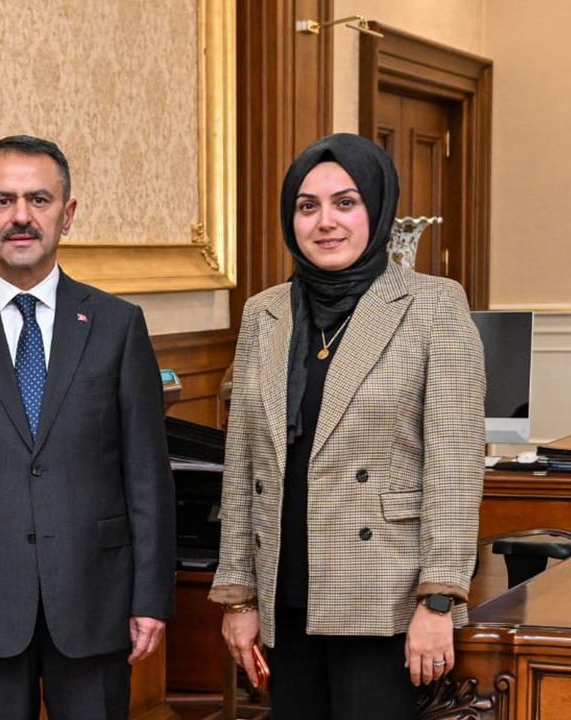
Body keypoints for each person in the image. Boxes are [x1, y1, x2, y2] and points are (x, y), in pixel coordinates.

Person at [210, 133, 486, 720]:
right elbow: (243, 467)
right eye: (307, 206)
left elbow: (454, 468)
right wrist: (238, 596)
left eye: (345, 202)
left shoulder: (433, 305)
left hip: (384, 596)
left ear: (377, 210)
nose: (325, 222)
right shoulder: (264, 312)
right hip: (284, 593)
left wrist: (439, 601)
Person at [0, 135, 176, 720]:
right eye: (3, 201)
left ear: (67, 214)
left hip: (96, 598)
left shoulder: (119, 325)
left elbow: (148, 478)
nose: (21, 216)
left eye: (39, 200)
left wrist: (151, 596)